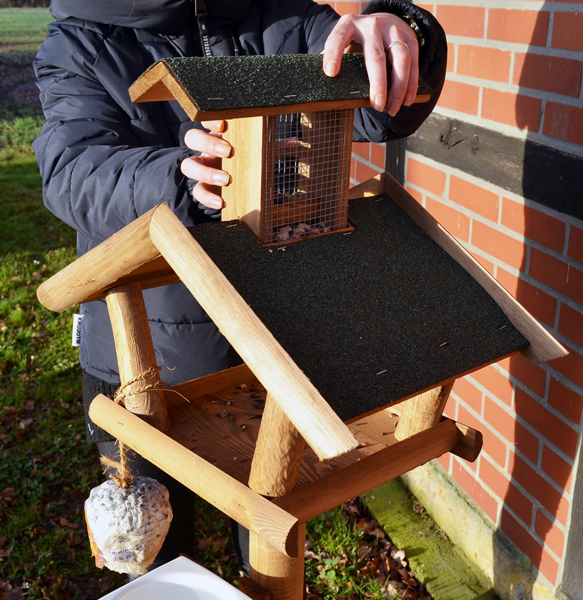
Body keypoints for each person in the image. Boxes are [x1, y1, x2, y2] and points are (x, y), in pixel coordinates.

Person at [33, 0, 446, 574]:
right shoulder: (82, 39)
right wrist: (179, 178)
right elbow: (72, 169)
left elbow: (378, 114)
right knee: (152, 540)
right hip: (143, 353)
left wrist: (401, 34)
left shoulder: (279, 15)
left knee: (267, 522)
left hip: (269, 336)